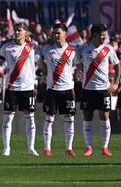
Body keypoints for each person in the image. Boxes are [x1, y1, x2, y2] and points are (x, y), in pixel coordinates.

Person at [75, 24, 120, 157]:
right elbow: (76, 62)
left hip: (104, 89)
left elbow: (117, 65)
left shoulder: (108, 49)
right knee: (87, 116)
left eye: (105, 34)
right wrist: (84, 71)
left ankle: (105, 147)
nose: (104, 37)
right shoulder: (83, 49)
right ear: (94, 35)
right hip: (88, 88)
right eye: (101, 35)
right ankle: (88, 147)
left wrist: (116, 83)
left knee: (105, 116)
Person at [0, 22, 41, 156]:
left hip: (27, 87)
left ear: (26, 33)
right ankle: (6, 148)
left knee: (30, 118)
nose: (17, 32)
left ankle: (31, 148)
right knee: (8, 118)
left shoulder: (33, 47)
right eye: (15, 30)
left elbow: (40, 63)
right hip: (11, 87)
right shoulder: (7, 47)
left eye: (20, 30)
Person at [40, 23, 76, 156]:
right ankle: (47, 148)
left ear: (65, 34)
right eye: (54, 33)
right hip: (52, 89)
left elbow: (79, 66)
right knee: (49, 119)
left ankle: (68, 148)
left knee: (69, 119)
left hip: (68, 89)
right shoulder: (47, 49)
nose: (56, 35)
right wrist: (45, 70)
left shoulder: (73, 51)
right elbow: (37, 58)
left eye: (58, 33)